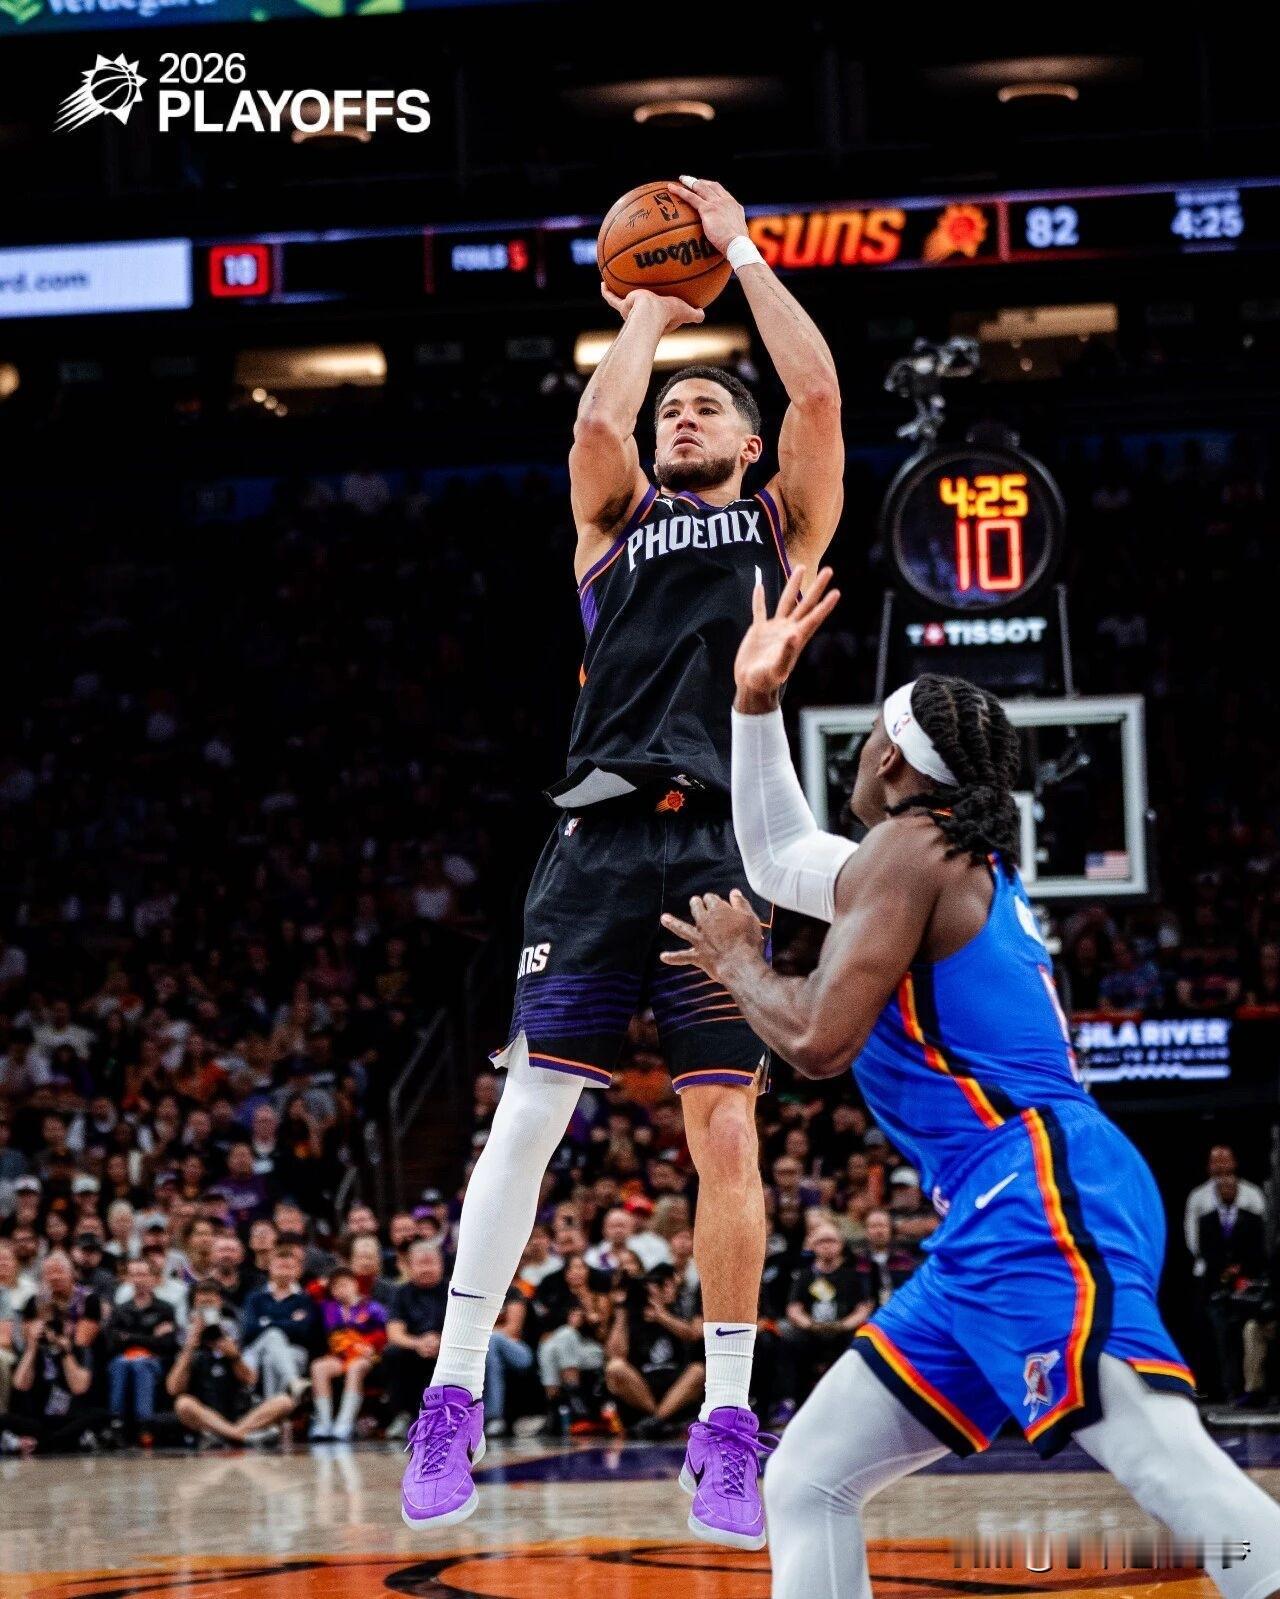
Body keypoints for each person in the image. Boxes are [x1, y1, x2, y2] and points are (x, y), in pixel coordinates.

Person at [660, 579, 1280, 1599]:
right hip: (1005, 1202)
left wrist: (735, 963)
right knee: (809, 1478)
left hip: (1031, 1188)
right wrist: (753, 702)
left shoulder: (910, 850)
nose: (860, 749)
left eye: (870, 733)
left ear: (890, 758)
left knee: (1167, 1465)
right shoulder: (931, 859)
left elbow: (816, 1039)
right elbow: (775, 857)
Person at [401, 174, 844, 1550]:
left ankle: (727, 1424)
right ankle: (451, 1391)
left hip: (723, 840)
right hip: (595, 840)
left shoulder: (779, 522)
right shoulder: (615, 523)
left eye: (706, 405)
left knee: (725, 1127)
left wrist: (741, 252)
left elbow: (817, 395)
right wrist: (648, 302)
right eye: (671, 411)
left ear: (750, 442)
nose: (680, 415)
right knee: (529, 1112)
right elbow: (599, 423)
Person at [167, 1280, 298, 1447]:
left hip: (240, 1411)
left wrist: (234, 1356)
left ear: (220, 1303)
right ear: (193, 1306)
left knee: (285, 1401)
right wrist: (189, 1348)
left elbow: (250, 1380)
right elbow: (173, 1389)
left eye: (211, 1303)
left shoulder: (233, 1330)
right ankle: (240, 1436)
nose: (206, 1309)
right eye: (202, 1304)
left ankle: (229, 1434)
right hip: (205, 1413)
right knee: (183, 1404)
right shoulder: (184, 1335)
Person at [604, 1261, 704, 1440]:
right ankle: (658, 1419)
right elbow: (615, 1354)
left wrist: (661, 1315)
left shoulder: (677, 1309)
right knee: (615, 1367)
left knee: (698, 1370)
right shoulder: (630, 1315)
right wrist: (621, 1311)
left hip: (675, 1385)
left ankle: (656, 1420)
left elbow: (691, 1335)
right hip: (642, 1386)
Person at [777, 1220, 873, 1404]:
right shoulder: (804, 1275)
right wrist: (811, 1325)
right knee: (787, 1340)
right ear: (813, 1245)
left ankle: (856, 1400)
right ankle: (789, 1401)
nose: (827, 1246)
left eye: (831, 1240)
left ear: (841, 1244)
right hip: (810, 1331)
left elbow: (863, 1309)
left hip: (843, 1331)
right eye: (822, 1241)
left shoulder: (852, 1275)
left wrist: (842, 1325)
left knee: (862, 1341)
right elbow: (794, 1308)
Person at [309, 1264, 387, 1441]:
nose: (340, 1289)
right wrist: (323, 1283)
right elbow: (312, 1291)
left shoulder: (371, 1307)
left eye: (344, 1284)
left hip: (366, 1356)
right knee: (318, 1367)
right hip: (340, 1356)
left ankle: (344, 1423)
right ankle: (324, 1423)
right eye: (335, 1287)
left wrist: (370, 1345)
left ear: (355, 1284)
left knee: (356, 1367)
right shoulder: (329, 1307)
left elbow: (384, 1333)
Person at [107, 1258, 179, 1440]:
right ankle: (116, 1421)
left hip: (154, 1360)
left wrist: (130, 1338)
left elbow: (167, 1344)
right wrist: (151, 1337)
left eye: (142, 1275)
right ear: (128, 1279)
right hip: (124, 1359)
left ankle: (145, 1423)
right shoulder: (120, 1310)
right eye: (134, 1275)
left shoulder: (165, 1309)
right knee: (121, 1365)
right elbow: (113, 1342)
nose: (138, 1280)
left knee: (141, 1365)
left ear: (153, 1278)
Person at [240, 1244, 320, 1401]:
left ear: (298, 1271)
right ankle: (294, 1382)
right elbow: (249, 1330)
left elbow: (304, 1332)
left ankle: (271, 1407)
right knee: (273, 1336)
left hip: (294, 1351)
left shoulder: (305, 1299)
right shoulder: (255, 1297)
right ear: (270, 1268)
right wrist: (289, 1323)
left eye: (289, 1267)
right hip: (257, 1348)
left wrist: (268, 1323)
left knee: (273, 1357)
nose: (284, 1271)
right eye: (280, 1266)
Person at [383, 1242, 447, 1438]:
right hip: (413, 1349)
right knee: (392, 1352)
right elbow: (394, 1333)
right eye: (421, 1263)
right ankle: (402, 1416)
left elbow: (465, 1328)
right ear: (409, 1266)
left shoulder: (453, 1291)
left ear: (441, 1264)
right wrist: (419, 1344)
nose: (426, 1269)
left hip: (448, 1348)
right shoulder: (401, 1293)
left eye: (431, 1263)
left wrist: (441, 1343)